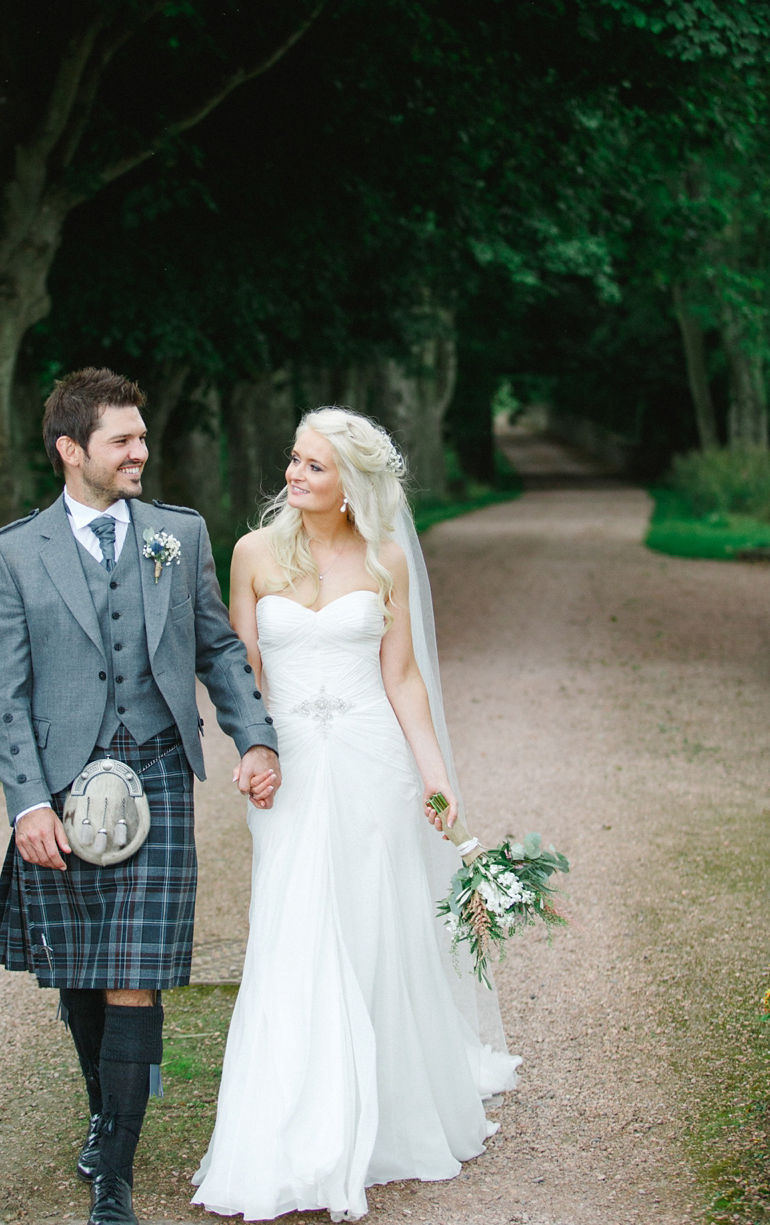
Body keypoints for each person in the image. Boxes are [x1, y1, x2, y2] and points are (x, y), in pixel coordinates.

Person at [191, 407, 521, 1223]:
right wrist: (252, 752)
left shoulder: (383, 560)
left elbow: (403, 678)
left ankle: (386, 1113)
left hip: (373, 761)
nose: (294, 476)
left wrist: (436, 775)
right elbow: (243, 673)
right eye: (294, 460)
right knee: (293, 925)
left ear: (352, 486)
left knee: (374, 924)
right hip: (292, 769)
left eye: (313, 467)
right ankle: (292, 1124)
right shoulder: (254, 553)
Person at [0, 367, 280, 1225]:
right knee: (80, 973)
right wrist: (28, 803)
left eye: (142, 437)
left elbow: (219, 650)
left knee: (134, 975)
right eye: (123, 439)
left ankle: (115, 1171)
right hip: (63, 785)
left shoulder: (177, 537)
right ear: (73, 450)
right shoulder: (17, 550)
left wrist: (254, 734)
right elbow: (5, 691)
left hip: (154, 768)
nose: (141, 451)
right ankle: (104, 1113)